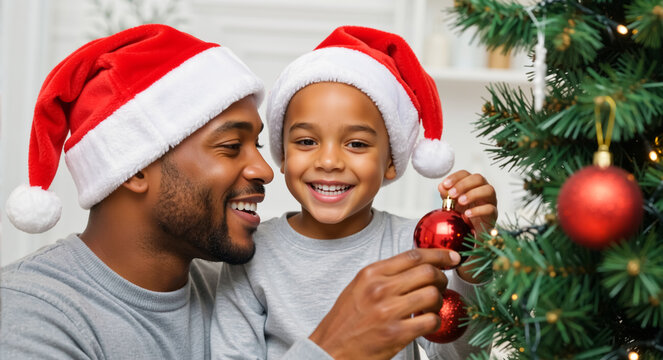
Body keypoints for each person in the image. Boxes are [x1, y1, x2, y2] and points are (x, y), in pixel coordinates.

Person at [1, 24, 465, 359]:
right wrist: (332, 352)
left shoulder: (228, 279)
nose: (266, 169)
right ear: (134, 168)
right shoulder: (31, 315)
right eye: (230, 146)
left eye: (260, 143)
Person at [211, 26, 498, 359]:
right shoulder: (251, 254)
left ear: (391, 162)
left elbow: (460, 356)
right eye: (306, 141)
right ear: (283, 156)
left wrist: (473, 268)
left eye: (357, 144)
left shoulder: (415, 245)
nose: (329, 161)